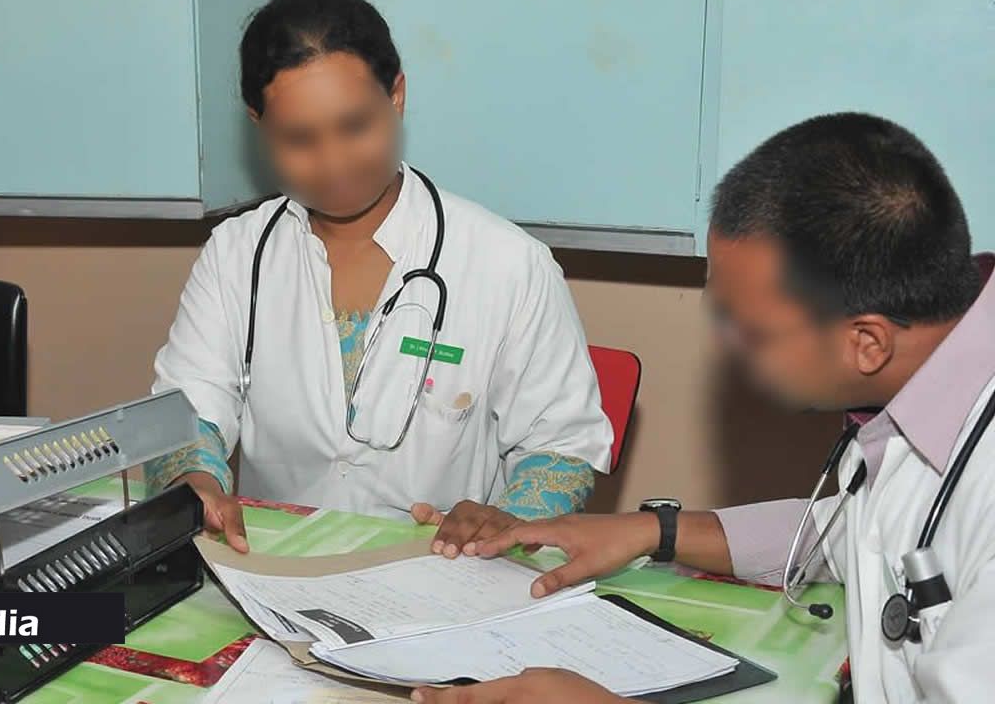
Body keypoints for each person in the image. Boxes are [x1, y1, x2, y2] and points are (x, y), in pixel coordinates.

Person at [415, 112, 995, 703]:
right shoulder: (921, 386)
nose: (729, 347)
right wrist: (655, 530)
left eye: (753, 330)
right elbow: (845, 536)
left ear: (867, 343)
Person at [149, 0, 611, 553]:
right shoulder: (235, 256)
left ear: (397, 96)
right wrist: (194, 481)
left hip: (447, 570)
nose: (334, 163)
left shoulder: (508, 264)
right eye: (298, 139)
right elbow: (187, 413)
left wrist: (509, 520)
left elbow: (561, 447)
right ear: (259, 125)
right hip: (279, 566)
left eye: (355, 127)